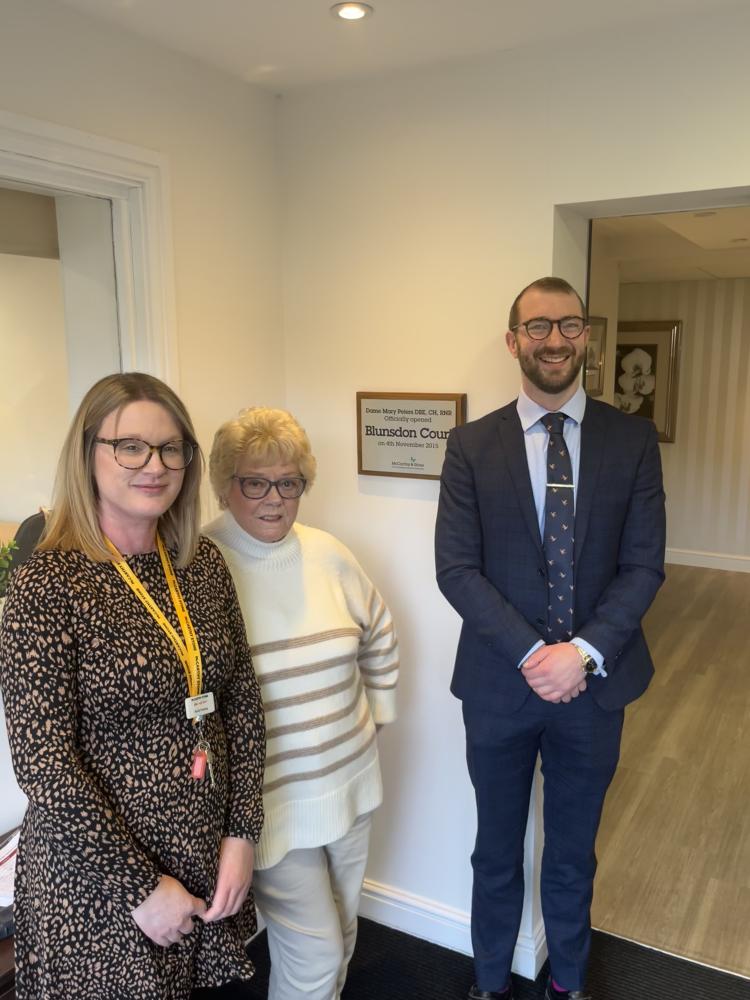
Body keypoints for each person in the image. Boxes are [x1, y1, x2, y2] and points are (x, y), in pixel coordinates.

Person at [435, 277, 666, 1000]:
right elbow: (457, 569)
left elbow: (643, 565)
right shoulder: (472, 446)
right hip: (500, 688)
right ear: (514, 342)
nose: (555, 339)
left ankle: (568, 982)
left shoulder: (631, 442)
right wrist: (536, 655)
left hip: (595, 692)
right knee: (494, 852)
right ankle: (490, 983)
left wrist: (583, 654)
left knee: (571, 855)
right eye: (538, 327)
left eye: (569, 325)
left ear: (587, 337)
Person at [0, 372, 266, 1000]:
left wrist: (242, 833)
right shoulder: (48, 586)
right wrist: (141, 887)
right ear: (87, 453)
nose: (155, 465)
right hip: (99, 882)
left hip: (202, 851)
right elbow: (45, 765)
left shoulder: (200, 564)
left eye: (171, 448)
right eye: (131, 447)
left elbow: (241, 704)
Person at [205, 407, 399, 1000]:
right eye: (254, 482)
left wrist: (377, 719)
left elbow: (381, 632)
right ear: (224, 485)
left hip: (349, 779)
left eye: (289, 483)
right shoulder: (201, 564)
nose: (273, 499)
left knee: (341, 926)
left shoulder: (328, 554)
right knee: (315, 951)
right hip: (268, 802)